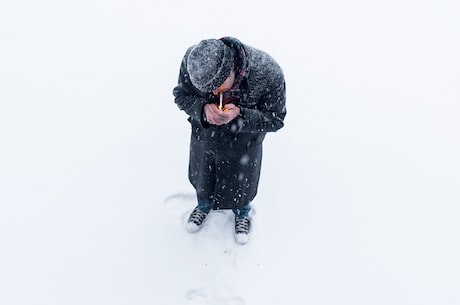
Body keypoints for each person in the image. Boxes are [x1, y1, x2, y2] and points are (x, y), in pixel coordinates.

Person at [173, 37, 286, 244]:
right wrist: (203, 109)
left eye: (217, 87)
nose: (214, 94)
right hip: (205, 141)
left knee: (241, 189)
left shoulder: (268, 72)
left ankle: (242, 214)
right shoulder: (194, 61)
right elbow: (181, 95)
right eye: (208, 90)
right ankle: (203, 206)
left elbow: (276, 119)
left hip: (244, 147)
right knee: (204, 182)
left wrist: (241, 115)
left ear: (232, 68)